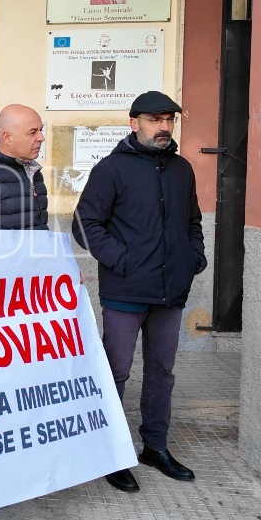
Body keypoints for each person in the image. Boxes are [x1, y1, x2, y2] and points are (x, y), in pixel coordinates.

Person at [71, 90, 206, 494]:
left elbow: (193, 221)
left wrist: (192, 258)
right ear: (134, 123)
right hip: (125, 292)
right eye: (154, 120)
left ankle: (155, 446)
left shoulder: (182, 169)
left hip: (170, 293)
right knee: (116, 373)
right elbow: (84, 225)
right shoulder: (112, 169)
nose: (164, 127)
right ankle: (110, 452)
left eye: (169, 120)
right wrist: (123, 261)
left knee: (162, 374)